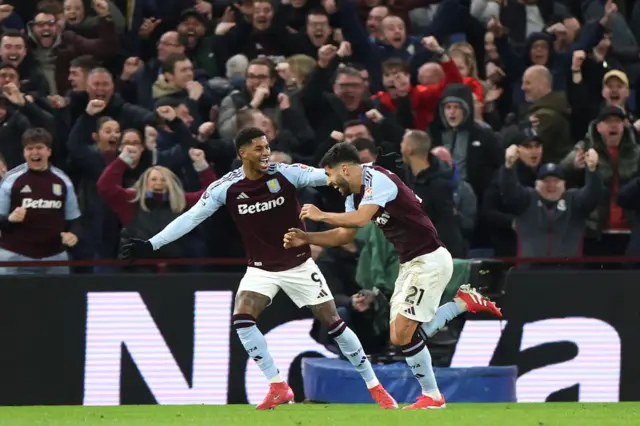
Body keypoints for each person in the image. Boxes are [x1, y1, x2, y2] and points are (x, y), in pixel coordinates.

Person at [119, 127, 396, 410]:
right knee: (242, 318)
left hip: (298, 264)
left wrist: (373, 169)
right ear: (242, 153)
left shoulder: (287, 173)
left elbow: (332, 175)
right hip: (261, 269)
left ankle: (375, 387)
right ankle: (277, 385)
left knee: (334, 323)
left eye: (267, 147)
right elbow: (190, 218)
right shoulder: (225, 187)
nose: (266, 153)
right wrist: (152, 245)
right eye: (259, 149)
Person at [283, 140, 502, 410]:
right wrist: (307, 237)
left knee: (404, 333)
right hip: (409, 264)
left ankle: (433, 396)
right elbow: (344, 235)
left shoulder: (378, 180)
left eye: (329, 175)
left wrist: (321, 214)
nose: (329, 182)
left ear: (344, 169)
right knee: (400, 337)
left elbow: (361, 220)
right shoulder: (354, 195)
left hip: (429, 260)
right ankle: (461, 305)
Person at [0, 128, 81, 274]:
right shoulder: (11, 179)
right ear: (24, 152)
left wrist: (73, 234)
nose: (35, 153)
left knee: (61, 297)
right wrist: (10, 219)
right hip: (15, 256)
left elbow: (74, 219)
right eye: (29, 148)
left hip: (54, 256)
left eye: (39, 148)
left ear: (49, 151)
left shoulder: (63, 180)